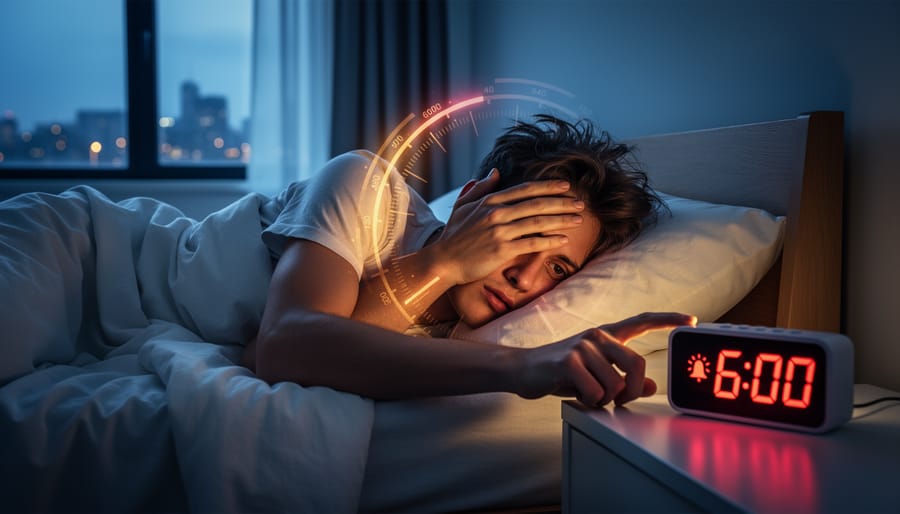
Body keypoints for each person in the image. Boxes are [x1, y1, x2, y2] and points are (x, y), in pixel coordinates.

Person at [242, 114, 695, 407]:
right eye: (524, 235)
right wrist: (445, 263)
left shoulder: (465, 330)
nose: (525, 278)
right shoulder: (365, 186)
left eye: (558, 269)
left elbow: (276, 354)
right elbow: (284, 347)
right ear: (471, 199)